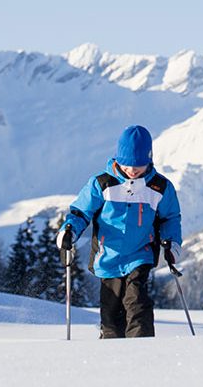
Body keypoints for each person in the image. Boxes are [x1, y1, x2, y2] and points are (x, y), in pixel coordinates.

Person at [57, 126, 182, 339]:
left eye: (139, 165)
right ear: (118, 160)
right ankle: (112, 349)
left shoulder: (159, 187)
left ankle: (143, 349)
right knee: (111, 310)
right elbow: (80, 212)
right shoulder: (102, 184)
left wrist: (171, 243)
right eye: (128, 165)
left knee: (137, 301)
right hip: (108, 257)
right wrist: (69, 231)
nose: (133, 171)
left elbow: (170, 217)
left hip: (140, 253)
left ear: (149, 160)